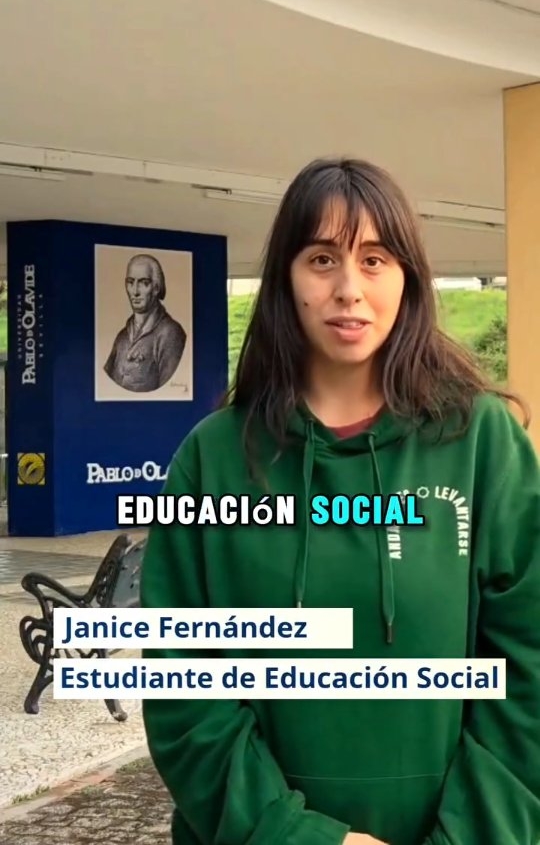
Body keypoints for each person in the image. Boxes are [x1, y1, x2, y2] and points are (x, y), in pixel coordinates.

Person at [140, 158, 540, 845]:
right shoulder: (213, 458)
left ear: (407, 278)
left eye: (375, 260)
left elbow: (529, 672)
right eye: (322, 259)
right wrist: (297, 836)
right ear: (286, 279)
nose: (349, 289)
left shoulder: (481, 442)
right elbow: (184, 693)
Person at [104, 253, 186, 392]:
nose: (135, 291)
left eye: (144, 283)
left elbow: (169, 391)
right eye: (130, 282)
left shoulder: (171, 333)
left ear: (156, 288)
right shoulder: (122, 337)